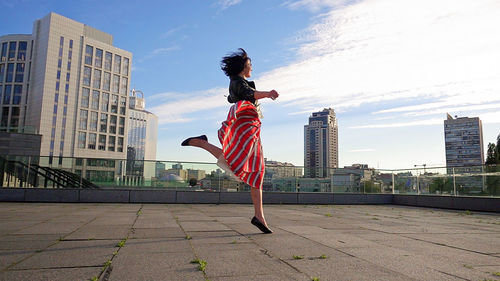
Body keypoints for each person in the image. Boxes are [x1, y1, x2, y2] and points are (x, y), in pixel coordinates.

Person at [181, 48, 279, 234]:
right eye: (249, 65)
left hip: (251, 130)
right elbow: (250, 94)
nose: (251, 68)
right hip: (244, 128)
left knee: (255, 170)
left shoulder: (240, 83)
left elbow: (244, 94)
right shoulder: (237, 82)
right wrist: (268, 93)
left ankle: (259, 216)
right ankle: (202, 143)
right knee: (242, 164)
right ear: (243, 67)